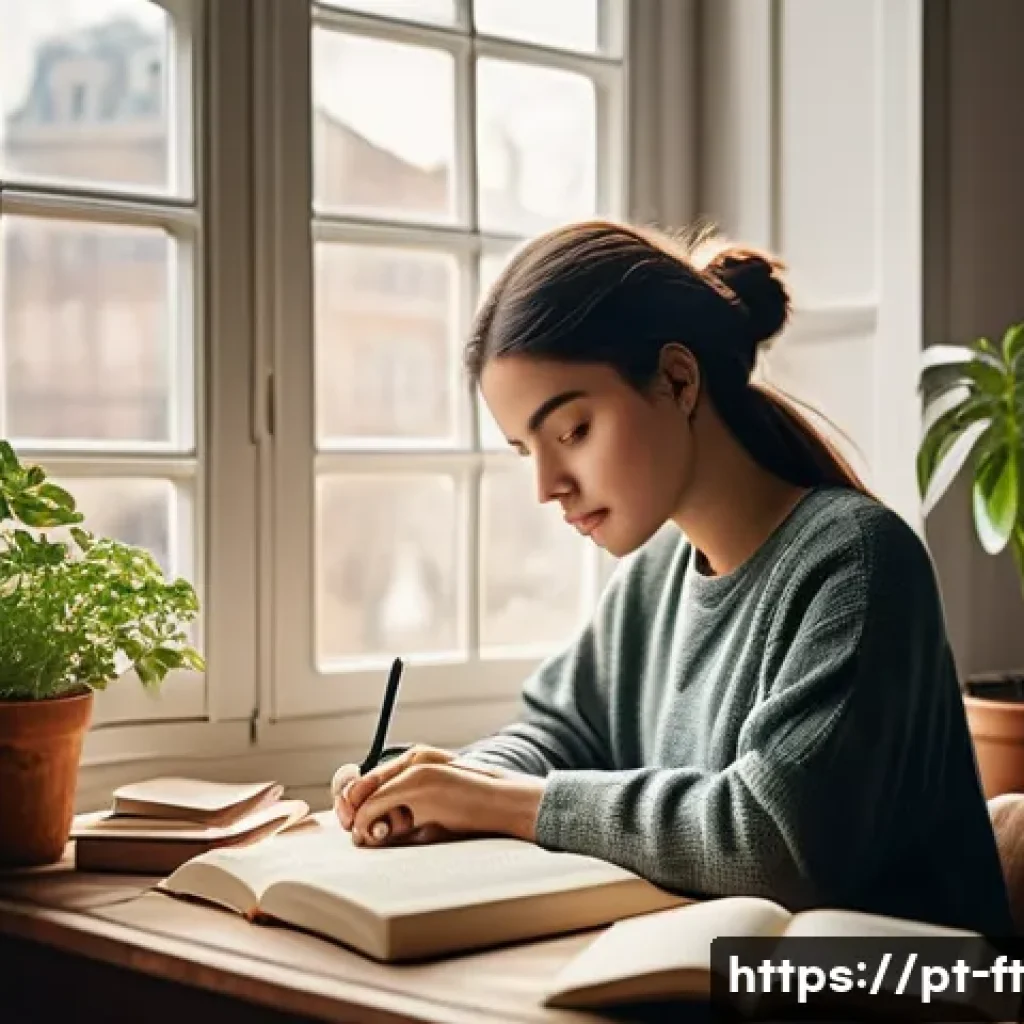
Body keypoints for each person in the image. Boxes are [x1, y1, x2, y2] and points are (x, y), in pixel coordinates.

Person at [332, 218, 1013, 937]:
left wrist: (500, 802)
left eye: (571, 432)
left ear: (678, 380)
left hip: (919, 997)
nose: (546, 486)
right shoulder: (655, 573)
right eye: (522, 450)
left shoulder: (860, 564)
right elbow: (559, 732)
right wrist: (438, 787)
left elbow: (775, 844)